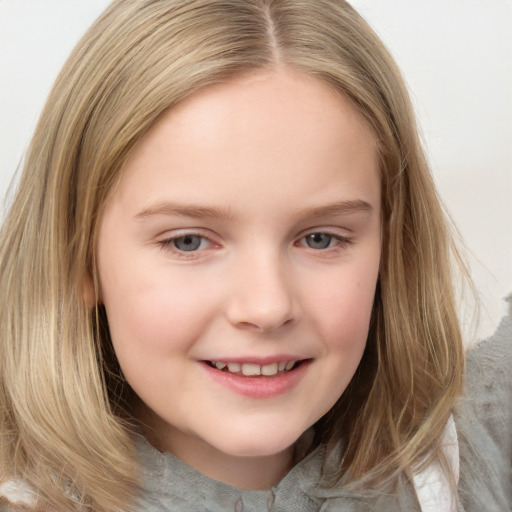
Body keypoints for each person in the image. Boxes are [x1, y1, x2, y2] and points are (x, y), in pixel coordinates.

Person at [0, 1, 510, 511]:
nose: (266, 307)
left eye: (320, 239)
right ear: (77, 258)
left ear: (392, 251)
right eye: (188, 241)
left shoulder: (476, 462)